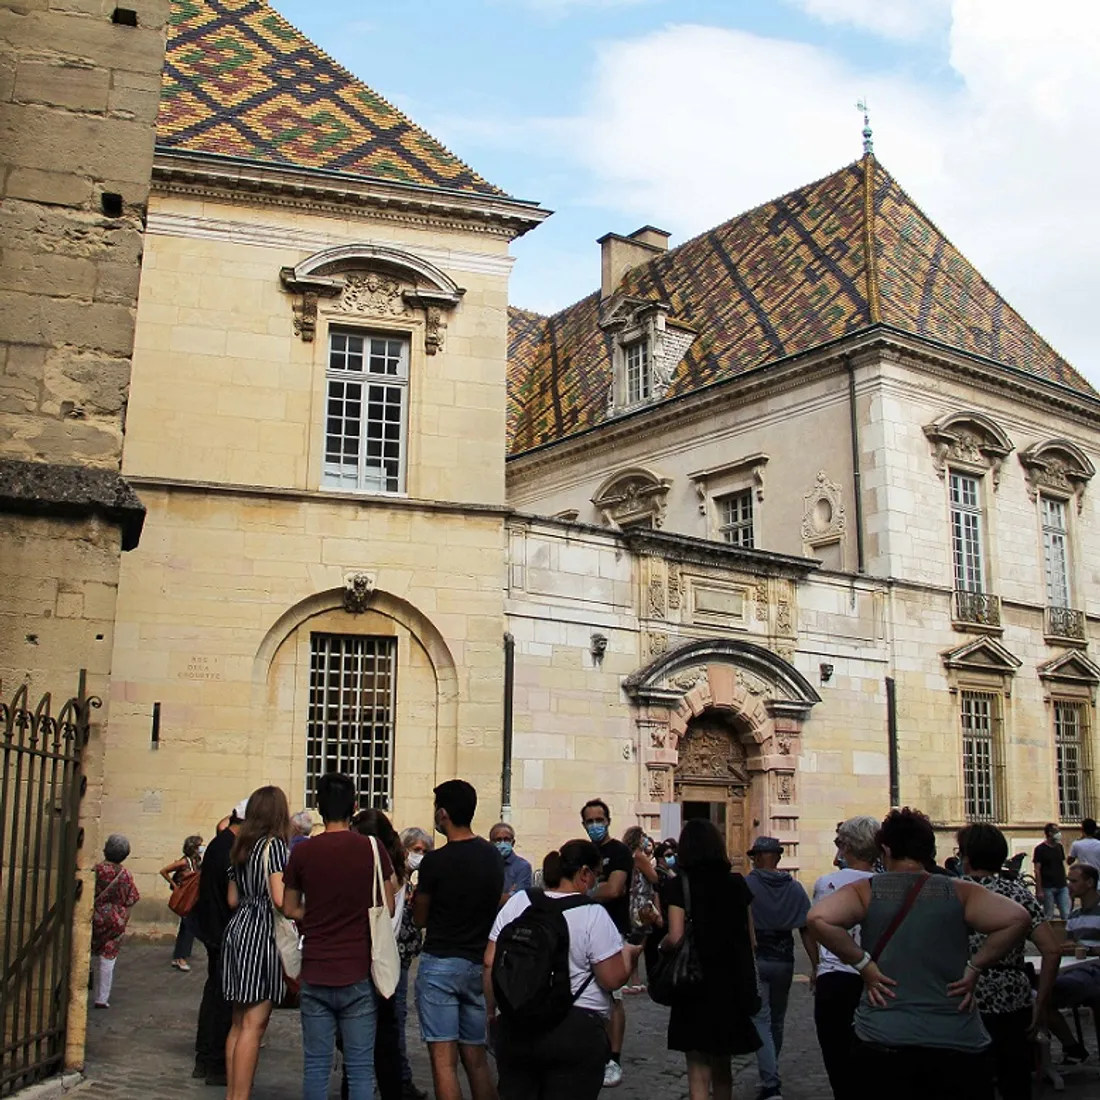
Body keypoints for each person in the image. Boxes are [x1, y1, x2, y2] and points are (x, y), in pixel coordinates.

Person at [807, 807, 1032, 1100]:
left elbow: (818, 919)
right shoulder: (959, 891)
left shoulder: (868, 890)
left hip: (884, 1034)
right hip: (954, 1035)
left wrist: (863, 964)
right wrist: (976, 967)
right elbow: (1018, 919)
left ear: (885, 849)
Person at [485, 840, 643, 1099]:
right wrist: (628, 954)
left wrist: (492, 1014)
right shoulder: (593, 913)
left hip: (516, 1023)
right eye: (595, 875)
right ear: (584, 873)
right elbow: (612, 978)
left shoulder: (520, 902)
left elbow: (490, 962)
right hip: (576, 1030)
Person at [281, 775, 394, 1100]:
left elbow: (289, 908)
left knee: (316, 1066)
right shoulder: (372, 849)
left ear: (318, 808)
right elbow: (385, 905)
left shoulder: (303, 853)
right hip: (358, 970)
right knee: (360, 1069)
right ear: (354, 807)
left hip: (316, 970)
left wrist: (314, 915)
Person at [413, 779, 503, 1100]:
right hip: (476, 962)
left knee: (444, 1062)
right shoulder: (491, 855)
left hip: (441, 961)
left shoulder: (436, 862)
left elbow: (420, 917)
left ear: (444, 814)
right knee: (476, 1059)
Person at [959, 823, 1061, 1100]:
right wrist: (1041, 1002)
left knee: (969, 1081)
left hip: (962, 996)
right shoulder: (1017, 893)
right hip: (1012, 997)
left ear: (966, 856)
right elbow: (1052, 949)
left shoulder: (952, 893)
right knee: (1015, 1080)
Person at [662, 818, 761, 1100]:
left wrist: (661, 945)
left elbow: (676, 935)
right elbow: (752, 939)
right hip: (730, 983)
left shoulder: (680, 885)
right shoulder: (736, 883)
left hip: (694, 983)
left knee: (697, 1066)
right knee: (723, 1066)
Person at [222, 786, 292, 1100]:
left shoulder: (240, 845)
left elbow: (232, 898)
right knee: (255, 1023)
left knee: (238, 1021)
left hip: (238, 928)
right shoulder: (274, 847)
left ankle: (233, 1094)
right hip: (261, 931)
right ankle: (241, 1096)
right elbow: (279, 899)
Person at [808, 815, 880, 1100]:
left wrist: (815, 966)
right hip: (874, 976)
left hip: (835, 978)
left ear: (846, 846)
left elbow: (815, 929)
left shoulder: (827, 883)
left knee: (837, 1059)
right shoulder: (886, 884)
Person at [345, 807, 406, 1100]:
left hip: (369, 960)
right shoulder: (394, 868)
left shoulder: (382, 873)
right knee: (383, 1041)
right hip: (382, 961)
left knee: (364, 1042)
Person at [746, 835, 812, 1100]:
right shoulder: (794, 888)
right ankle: (771, 1070)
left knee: (760, 1018)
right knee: (777, 1020)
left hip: (757, 959)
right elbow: (807, 928)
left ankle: (771, 1082)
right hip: (785, 960)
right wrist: (816, 965)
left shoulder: (747, 884)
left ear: (759, 858)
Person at [579, 798, 633, 1089]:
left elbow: (614, 889)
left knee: (614, 996)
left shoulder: (620, 851)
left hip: (613, 932)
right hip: (583, 930)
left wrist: (582, 892)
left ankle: (613, 1057)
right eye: (590, 821)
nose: (595, 825)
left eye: (599, 819)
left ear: (608, 821)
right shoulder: (584, 852)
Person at [192, 799, 244, 1086]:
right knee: (223, 998)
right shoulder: (230, 848)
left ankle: (205, 1056)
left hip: (213, 929)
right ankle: (215, 1061)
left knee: (214, 992)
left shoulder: (219, 843)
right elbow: (232, 896)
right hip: (222, 931)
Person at [1043, 861, 1100, 1065]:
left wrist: (1085, 949)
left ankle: (1072, 1049)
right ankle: (1072, 1046)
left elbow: (1082, 946)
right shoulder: (1075, 915)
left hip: (1094, 971)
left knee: (1045, 993)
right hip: (1075, 969)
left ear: (1090, 883)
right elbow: (1070, 941)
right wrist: (1068, 946)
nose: (1069, 885)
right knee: (1037, 993)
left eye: (1074, 881)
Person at [397, 827, 432, 1099]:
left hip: (405, 955)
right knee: (396, 1017)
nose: (418, 855)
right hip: (394, 956)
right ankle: (400, 1080)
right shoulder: (398, 879)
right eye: (415, 849)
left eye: (423, 851)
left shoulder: (413, 883)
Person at [91, 833, 140, 1009]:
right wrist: (124, 918)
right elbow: (132, 898)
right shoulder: (125, 874)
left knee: (84, 950)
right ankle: (102, 998)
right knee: (108, 958)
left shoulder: (96, 870)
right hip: (116, 918)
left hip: (94, 916)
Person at [622, 825, 660, 993]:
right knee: (639, 944)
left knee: (634, 939)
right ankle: (625, 976)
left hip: (632, 900)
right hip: (642, 901)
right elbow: (654, 877)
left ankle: (635, 979)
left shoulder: (628, 856)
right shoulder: (640, 857)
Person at [160, 834, 203, 971]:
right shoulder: (184, 862)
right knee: (188, 927)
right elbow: (164, 871)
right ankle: (181, 958)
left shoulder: (196, 861)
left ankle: (178, 956)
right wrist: (175, 885)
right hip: (186, 897)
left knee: (186, 927)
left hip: (192, 897)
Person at [490, 821, 532, 906]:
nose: (502, 843)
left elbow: (517, 900)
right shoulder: (485, 865)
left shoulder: (523, 867)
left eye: (506, 839)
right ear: (491, 843)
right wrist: (508, 894)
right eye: (498, 840)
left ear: (513, 843)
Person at [1033, 822, 1070, 920]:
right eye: (1056, 831)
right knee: (1049, 915)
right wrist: (1039, 889)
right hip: (1047, 887)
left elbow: (1061, 864)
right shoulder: (1040, 849)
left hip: (1062, 885)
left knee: (1066, 914)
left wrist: (1066, 880)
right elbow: (1037, 870)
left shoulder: (1059, 847)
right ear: (1050, 833)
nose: (1059, 833)